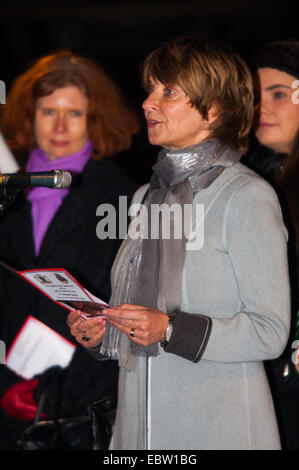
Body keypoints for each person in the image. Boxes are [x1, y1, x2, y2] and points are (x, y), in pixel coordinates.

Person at [67, 36, 290, 450]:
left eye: (168, 92)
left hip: (220, 430)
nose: (148, 103)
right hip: (138, 435)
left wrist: (168, 329)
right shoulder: (144, 198)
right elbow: (139, 324)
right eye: (150, 90)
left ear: (216, 109)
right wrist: (103, 330)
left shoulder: (245, 196)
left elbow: (270, 331)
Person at [0, 51, 139, 449]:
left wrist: (48, 386)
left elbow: (123, 299)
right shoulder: (9, 186)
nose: (60, 126)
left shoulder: (120, 193)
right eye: (48, 112)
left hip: (85, 392)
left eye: (74, 113)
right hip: (8, 383)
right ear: (29, 114)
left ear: (94, 118)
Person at [242, 40, 299, 450]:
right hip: (266, 370)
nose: (263, 107)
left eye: (279, 94)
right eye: (256, 96)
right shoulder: (251, 178)